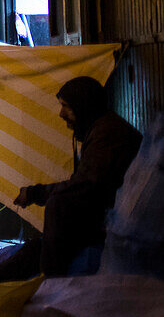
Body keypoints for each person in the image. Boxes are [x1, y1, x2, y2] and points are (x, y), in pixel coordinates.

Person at [14, 76, 142, 277]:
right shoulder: (101, 129)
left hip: (116, 221)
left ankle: (54, 287)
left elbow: (85, 186)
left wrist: (35, 193)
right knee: (32, 252)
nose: (61, 114)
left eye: (66, 106)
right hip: (107, 215)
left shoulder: (108, 133)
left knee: (58, 205)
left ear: (83, 106)